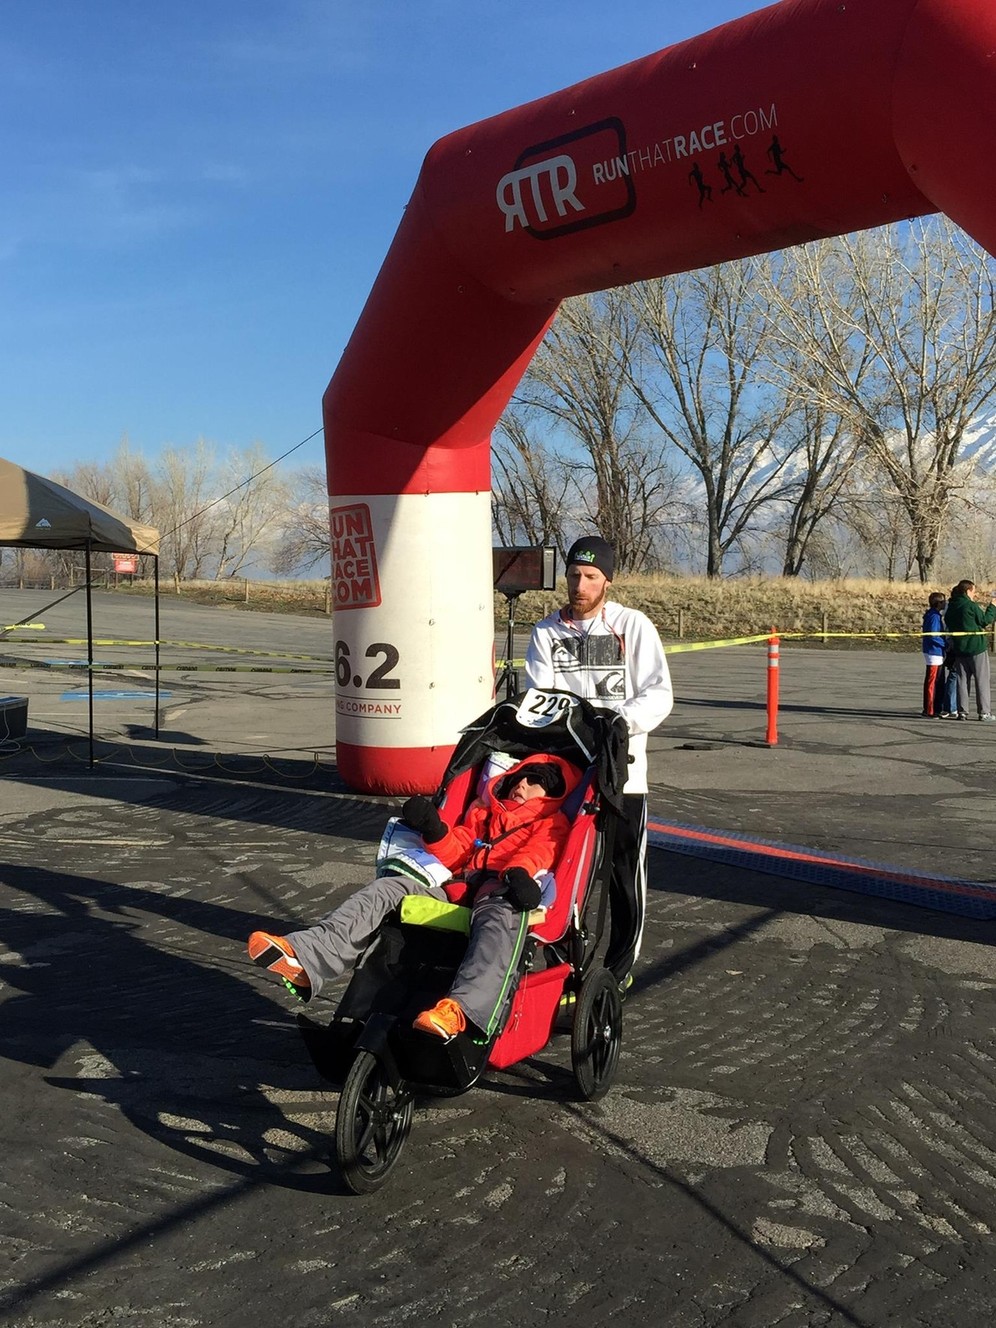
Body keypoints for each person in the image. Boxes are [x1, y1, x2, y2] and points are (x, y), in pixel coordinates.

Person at [247, 754, 579, 1040]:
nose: (521, 784)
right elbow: (457, 851)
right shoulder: (483, 811)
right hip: (456, 885)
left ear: (552, 793)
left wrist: (517, 873)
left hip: (503, 889)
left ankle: (460, 1010)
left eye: (534, 782)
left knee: (497, 920)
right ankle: (307, 958)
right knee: (389, 889)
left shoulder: (551, 822)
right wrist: (434, 830)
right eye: (519, 777)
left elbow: (540, 853)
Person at [523, 535, 673, 991]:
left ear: (607, 580)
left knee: (624, 876)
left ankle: (619, 969)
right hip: (569, 777)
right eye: (574, 575)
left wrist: (617, 723)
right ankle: (565, 967)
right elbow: (539, 700)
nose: (580, 585)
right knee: (567, 874)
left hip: (623, 776)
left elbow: (659, 694)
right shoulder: (546, 632)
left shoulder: (633, 625)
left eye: (590, 576)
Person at [943, 580, 996, 721]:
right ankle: (984, 712)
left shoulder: (952, 606)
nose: (975, 594)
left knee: (962, 681)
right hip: (976, 647)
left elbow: (947, 621)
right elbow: (984, 620)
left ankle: (962, 711)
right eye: (973, 591)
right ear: (968, 591)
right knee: (982, 680)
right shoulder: (970, 606)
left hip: (959, 647)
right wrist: (993, 607)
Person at [920, 592, 947, 717]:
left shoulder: (934, 615)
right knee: (932, 681)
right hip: (934, 652)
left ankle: (936, 707)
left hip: (936, 651)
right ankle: (929, 709)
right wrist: (945, 644)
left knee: (937, 681)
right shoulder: (934, 616)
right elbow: (933, 635)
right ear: (939, 603)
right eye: (944, 601)